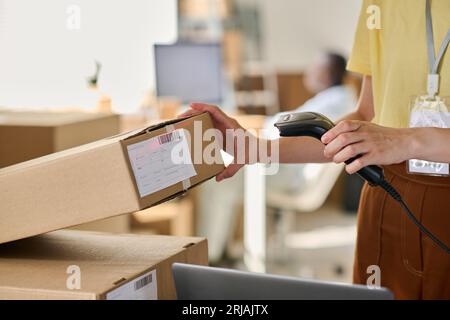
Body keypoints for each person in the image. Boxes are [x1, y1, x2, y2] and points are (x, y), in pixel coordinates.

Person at [181, 0, 450, 299]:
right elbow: (364, 116)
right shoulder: (379, 6)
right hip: (387, 193)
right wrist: (256, 149)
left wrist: (409, 141)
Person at [264, 52, 357, 194]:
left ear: (326, 74)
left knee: (232, 173)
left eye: (314, 67)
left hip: (292, 172)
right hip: (290, 165)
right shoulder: (334, 97)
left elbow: (286, 127)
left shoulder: (334, 103)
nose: (309, 71)